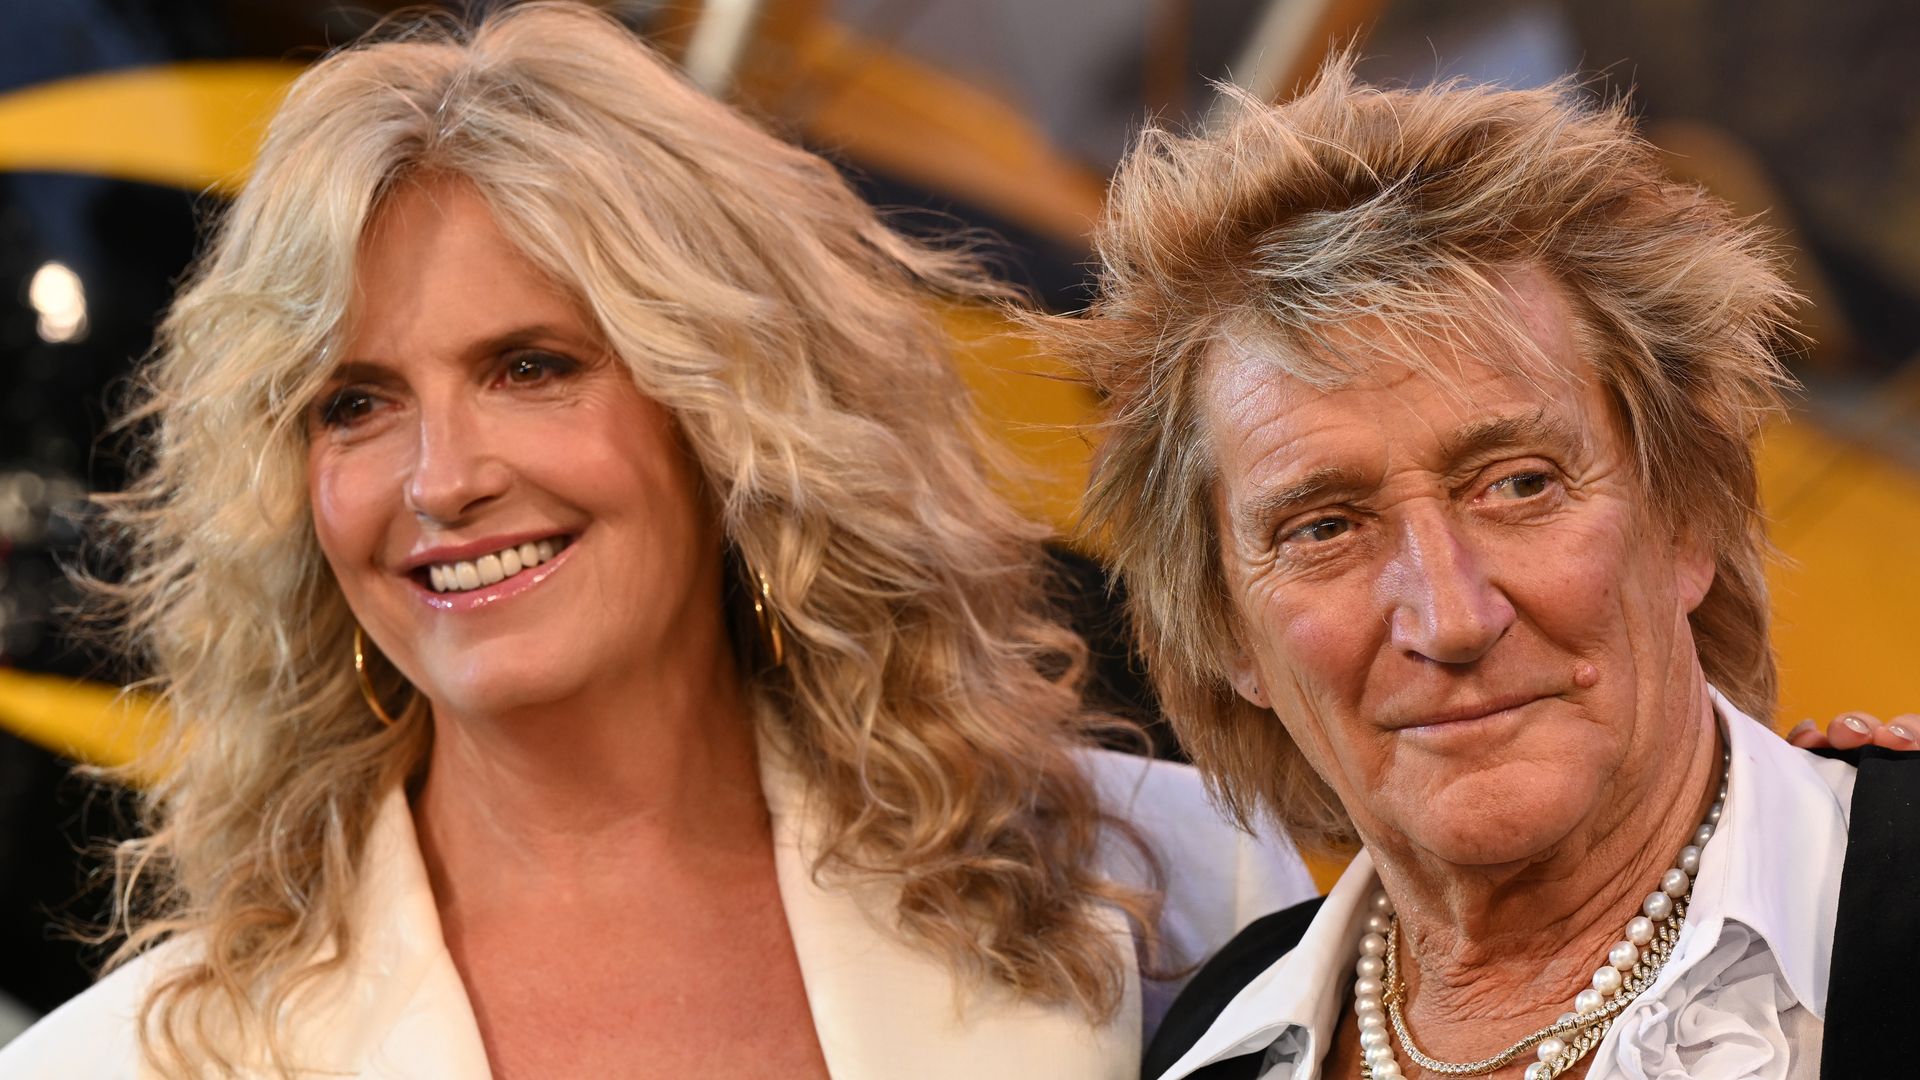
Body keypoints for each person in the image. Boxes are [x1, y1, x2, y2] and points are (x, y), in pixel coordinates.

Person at [0, 5, 1315, 1077]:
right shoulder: (123, 1067)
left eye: (531, 366)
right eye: (354, 404)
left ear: (725, 407)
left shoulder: (1177, 878)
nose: (442, 480)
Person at [1031, 58, 1917, 1079]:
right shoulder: (1206, 1041)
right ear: (1228, 631)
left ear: (1687, 517)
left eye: (1519, 484)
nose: (1449, 617)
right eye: (1323, 528)